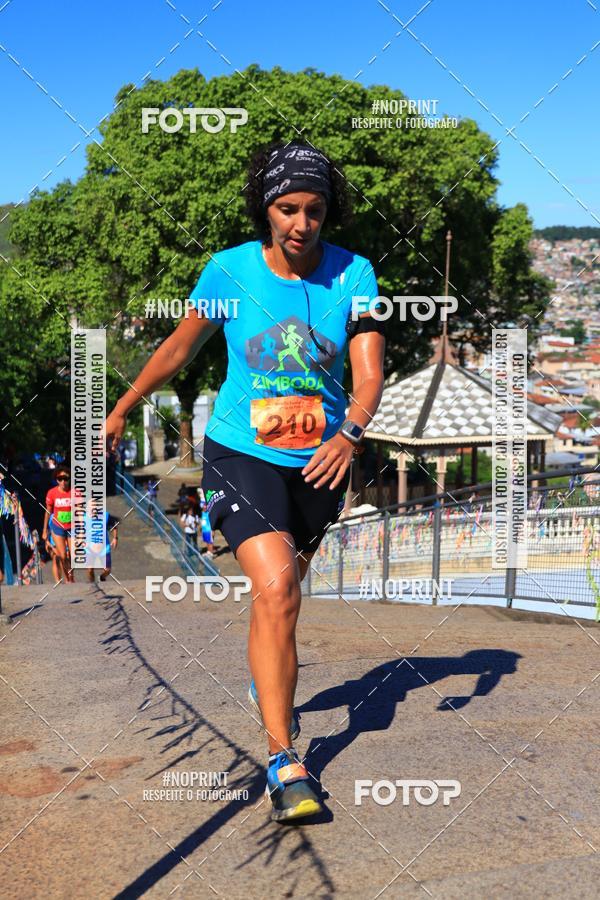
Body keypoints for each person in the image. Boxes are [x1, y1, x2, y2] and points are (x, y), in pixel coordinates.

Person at [104, 139, 386, 822]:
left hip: (321, 460)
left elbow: (369, 372)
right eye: (287, 208)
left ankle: (271, 684)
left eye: (314, 210)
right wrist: (120, 408)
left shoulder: (356, 276)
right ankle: (285, 759)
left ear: (328, 212)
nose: (300, 223)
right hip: (241, 449)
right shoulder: (228, 272)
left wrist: (350, 435)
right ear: (267, 208)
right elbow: (180, 347)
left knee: (285, 602)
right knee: (277, 584)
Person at [41, 467, 76, 583]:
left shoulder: (75, 492)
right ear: (56, 480)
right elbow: (48, 512)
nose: (63, 482)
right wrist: (45, 530)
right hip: (57, 527)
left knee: (72, 554)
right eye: (60, 479)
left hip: (72, 527)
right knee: (62, 556)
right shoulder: (52, 493)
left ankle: (70, 576)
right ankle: (68, 579)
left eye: (65, 478)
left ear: (69, 479)